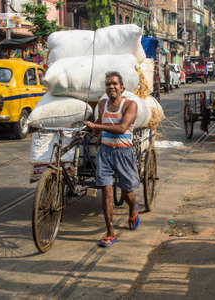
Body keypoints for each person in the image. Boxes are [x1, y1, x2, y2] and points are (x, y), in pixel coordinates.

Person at [85, 71, 140, 247]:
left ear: (122, 87)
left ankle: (133, 209)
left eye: (115, 84)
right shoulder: (102, 104)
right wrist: (91, 130)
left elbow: (123, 128)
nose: (111, 87)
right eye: (108, 84)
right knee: (107, 191)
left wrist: (97, 126)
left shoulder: (130, 105)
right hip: (105, 152)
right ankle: (110, 232)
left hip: (124, 153)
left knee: (127, 193)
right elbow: (99, 126)